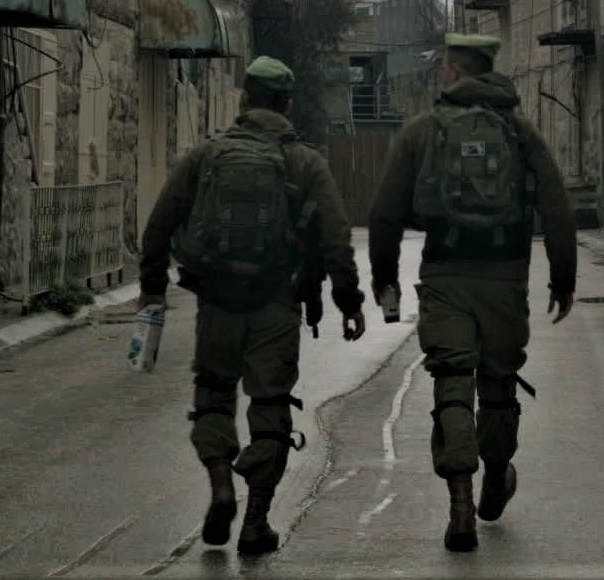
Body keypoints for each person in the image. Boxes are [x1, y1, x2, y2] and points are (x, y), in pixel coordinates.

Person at [140, 56, 367, 556]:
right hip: (276, 301)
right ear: (287, 105)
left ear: (244, 100)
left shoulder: (206, 156)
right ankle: (255, 521)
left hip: (217, 301)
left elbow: (159, 224)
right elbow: (335, 236)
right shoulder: (305, 162)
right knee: (270, 404)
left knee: (213, 394)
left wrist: (152, 288)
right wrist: (349, 300)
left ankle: (221, 481)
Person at [368, 33, 578, 553]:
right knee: (499, 385)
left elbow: (386, 213)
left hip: (445, 275)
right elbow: (556, 205)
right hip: (505, 277)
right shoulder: (520, 131)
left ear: (453, 71)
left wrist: (384, 278)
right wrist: (563, 277)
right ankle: (495, 478)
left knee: (453, 382)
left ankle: (460, 507)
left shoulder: (422, 131)